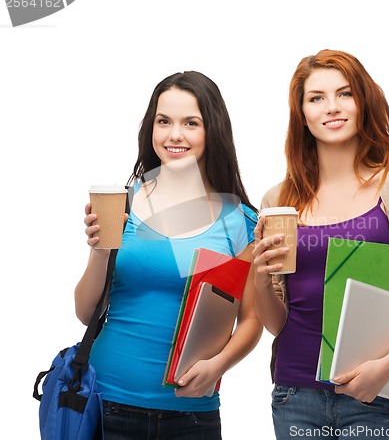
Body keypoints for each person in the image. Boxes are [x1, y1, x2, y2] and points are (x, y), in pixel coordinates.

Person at [252, 50, 389, 439]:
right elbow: (278, 324)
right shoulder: (278, 200)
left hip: (378, 396)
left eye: (344, 94)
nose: (332, 107)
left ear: (363, 103)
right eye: (316, 98)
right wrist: (259, 280)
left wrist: (387, 367)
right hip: (295, 394)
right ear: (302, 114)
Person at [75, 71, 262, 440]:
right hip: (105, 402)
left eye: (190, 123)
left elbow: (253, 320)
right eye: (164, 121)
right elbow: (85, 313)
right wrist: (99, 253)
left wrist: (219, 366)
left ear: (213, 131)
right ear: (151, 129)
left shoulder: (238, 220)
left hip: (191, 414)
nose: (174, 135)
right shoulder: (122, 202)